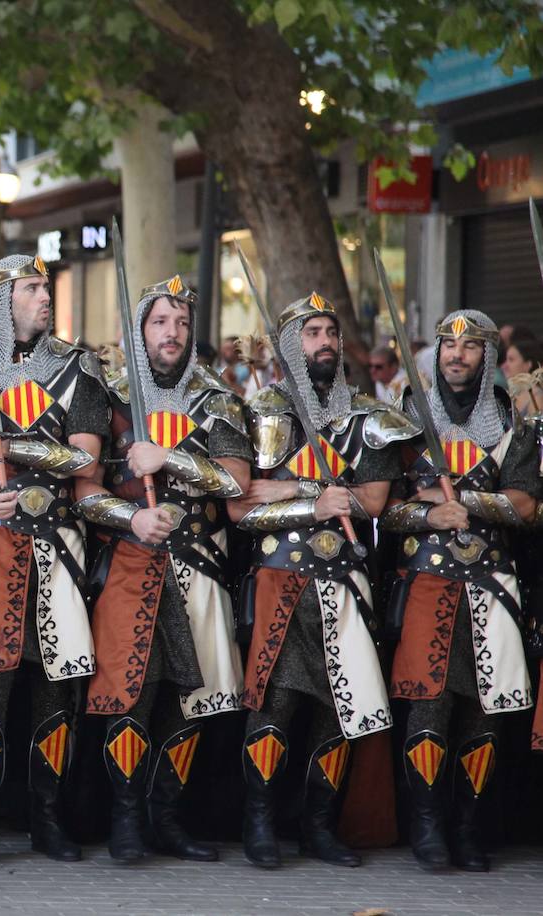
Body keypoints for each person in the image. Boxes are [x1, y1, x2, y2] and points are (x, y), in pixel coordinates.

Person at [228, 291, 415, 869]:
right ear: (290, 345)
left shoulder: (368, 415)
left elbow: (376, 499)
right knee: (277, 705)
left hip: (346, 579)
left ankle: (319, 825)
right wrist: (310, 496)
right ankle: (260, 822)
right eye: (311, 333)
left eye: (330, 332)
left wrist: (330, 497)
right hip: (280, 574)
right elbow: (241, 503)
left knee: (340, 707)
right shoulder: (263, 409)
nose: (325, 342)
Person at [0, 255, 105, 868]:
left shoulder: (76, 367)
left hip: (59, 542)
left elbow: (85, 461)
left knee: (57, 687)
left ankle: (48, 817)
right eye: (32, 288)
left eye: (45, 287)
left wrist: (16, 447)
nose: (44, 297)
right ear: (3, 300)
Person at [79, 276, 251, 863]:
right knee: (134, 693)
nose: (171, 333)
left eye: (180, 322)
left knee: (192, 699)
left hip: (199, 562)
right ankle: (125, 821)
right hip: (130, 562)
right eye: (159, 322)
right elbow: (84, 491)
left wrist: (169, 458)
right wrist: (131, 519)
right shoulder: (110, 396)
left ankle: (167, 818)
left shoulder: (218, 398)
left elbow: (235, 483)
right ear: (141, 330)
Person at [382, 310, 538, 872]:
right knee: (430, 704)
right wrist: (427, 515)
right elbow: (384, 506)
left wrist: (463, 504)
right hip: (426, 578)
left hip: (492, 581)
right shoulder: (407, 415)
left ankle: (469, 828)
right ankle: (427, 829)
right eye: (448, 346)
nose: (456, 354)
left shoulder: (513, 418)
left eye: (469, 346)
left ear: (486, 355)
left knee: (485, 709)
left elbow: (523, 505)